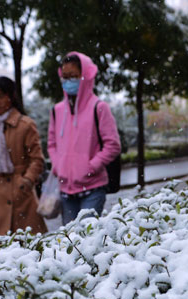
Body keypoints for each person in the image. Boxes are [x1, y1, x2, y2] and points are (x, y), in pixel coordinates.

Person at [48, 52, 121, 225]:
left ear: (86, 76)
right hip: (66, 191)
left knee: (86, 240)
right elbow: (51, 144)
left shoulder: (99, 107)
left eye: (73, 76)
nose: (68, 82)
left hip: (93, 188)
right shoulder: (57, 111)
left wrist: (90, 167)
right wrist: (59, 166)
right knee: (71, 243)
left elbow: (113, 145)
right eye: (65, 77)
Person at [0, 76, 47, 240]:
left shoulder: (25, 125)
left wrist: (26, 182)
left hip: (20, 196)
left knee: (27, 250)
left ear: (10, 97)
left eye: (0, 96)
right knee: (1, 254)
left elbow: (37, 159)